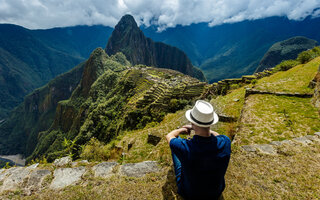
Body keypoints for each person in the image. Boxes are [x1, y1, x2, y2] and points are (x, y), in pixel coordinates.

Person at [165, 100, 231, 200]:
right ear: (211, 122)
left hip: (190, 194)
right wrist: (203, 128)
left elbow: (169, 136)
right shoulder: (226, 142)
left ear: (192, 121)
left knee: (176, 142)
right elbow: (218, 135)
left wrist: (182, 130)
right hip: (216, 192)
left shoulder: (185, 148)